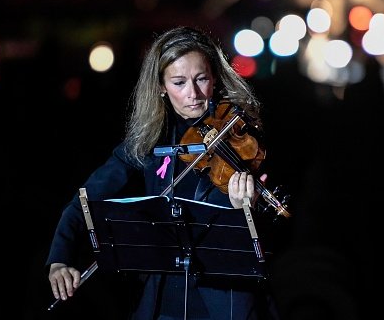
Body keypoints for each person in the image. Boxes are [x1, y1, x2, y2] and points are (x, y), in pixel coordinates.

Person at [46, 25, 281, 320]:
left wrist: (240, 209)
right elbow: (85, 199)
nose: (193, 94)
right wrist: (59, 258)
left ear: (215, 78)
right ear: (161, 86)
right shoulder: (149, 142)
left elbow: (269, 243)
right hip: (161, 304)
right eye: (179, 82)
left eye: (202, 79)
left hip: (226, 304)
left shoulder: (239, 135)